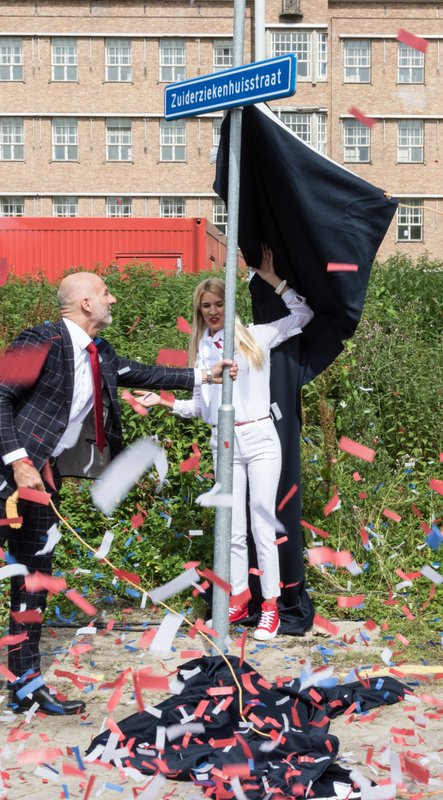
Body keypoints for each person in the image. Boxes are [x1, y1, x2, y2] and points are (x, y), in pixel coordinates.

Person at [0, 271, 235, 751]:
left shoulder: (99, 352)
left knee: (33, 585)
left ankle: (26, 685)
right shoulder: (41, 340)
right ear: (86, 303)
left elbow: (137, 373)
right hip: (0, 481)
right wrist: (18, 461)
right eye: (106, 293)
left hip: (43, 485)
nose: (113, 299)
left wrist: (201, 376)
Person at [136, 244, 312, 640]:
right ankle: (240, 598)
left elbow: (303, 315)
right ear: (199, 312)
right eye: (206, 307)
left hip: (261, 438)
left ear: (228, 305)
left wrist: (273, 280)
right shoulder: (202, 351)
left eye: (218, 304)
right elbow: (201, 409)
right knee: (231, 529)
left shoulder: (257, 337)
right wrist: (163, 401)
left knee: (262, 526)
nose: (213, 311)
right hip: (225, 442)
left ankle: (271, 606)